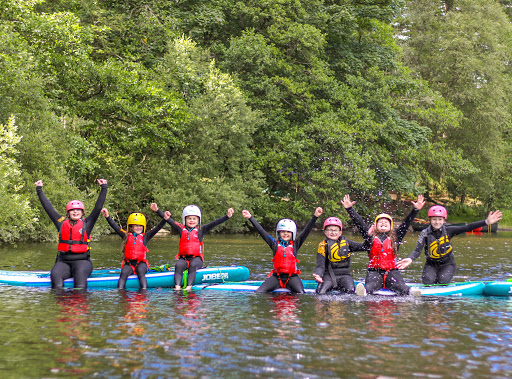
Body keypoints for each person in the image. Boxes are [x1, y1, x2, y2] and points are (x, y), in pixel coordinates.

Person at [342, 194, 425, 296]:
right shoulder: (370, 236)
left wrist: (415, 210)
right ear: (375, 226)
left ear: (390, 227)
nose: (383, 223)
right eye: (380, 222)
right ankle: (364, 291)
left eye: (386, 222)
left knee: (399, 285)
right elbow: (359, 223)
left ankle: (410, 291)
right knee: (372, 285)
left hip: (392, 271)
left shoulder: (396, 237)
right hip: (374, 271)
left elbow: (406, 224)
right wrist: (349, 209)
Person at [397, 205, 502, 284]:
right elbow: (417, 250)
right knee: (428, 281)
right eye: (434, 219)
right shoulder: (425, 233)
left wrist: (486, 222)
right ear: (430, 220)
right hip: (431, 264)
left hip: (447, 264)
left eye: (439, 219)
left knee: (443, 281)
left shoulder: (449, 230)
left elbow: (467, 227)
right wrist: (410, 259)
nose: (437, 222)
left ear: (444, 220)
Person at [35, 178, 108, 291]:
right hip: (64, 261)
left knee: (79, 283)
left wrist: (104, 188)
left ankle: (78, 305)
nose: (75, 212)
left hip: (83, 262)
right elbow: (48, 208)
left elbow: (98, 207)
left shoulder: (87, 224)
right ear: (68, 213)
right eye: (72, 210)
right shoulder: (61, 223)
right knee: (55, 278)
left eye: (78, 210)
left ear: (82, 212)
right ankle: (62, 306)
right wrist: (39, 189)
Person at [242, 207, 323, 293]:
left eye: (288, 232)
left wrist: (315, 216)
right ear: (278, 233)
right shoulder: (274, 244)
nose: (285, 233)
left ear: (293, 233)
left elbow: (306, 230)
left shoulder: (296, 244)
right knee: (258, 292)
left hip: (292, 278)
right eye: (283, 231)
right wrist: (250, 217)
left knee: (301, 294)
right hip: (276, 277)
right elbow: (262, 232)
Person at [155, 204, 234, 290]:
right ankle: (177, 286)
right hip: (184, 258)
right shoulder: (181, 229)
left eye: (194, 219)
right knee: (178, 265)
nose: (192, 221)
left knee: (193, 265)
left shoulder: (201, 229)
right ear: (185, 219)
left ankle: (189, 287)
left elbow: (214, 223)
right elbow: (169, 220)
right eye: (189, 218)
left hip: (197, 259)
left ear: (198, 220)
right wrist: (157, 210)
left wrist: (227, 216)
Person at [101, 203, 171, 289]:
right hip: (129, 263)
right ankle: (121, 293)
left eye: (140, 226)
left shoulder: (146, 236)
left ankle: (143, 291)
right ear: (131, 227)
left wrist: (165, 219)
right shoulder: (126, 235)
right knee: (123, 273)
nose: (139, 228)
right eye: (136, 226)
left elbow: (158, 227)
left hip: (141, 264)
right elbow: (115, 227)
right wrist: (107, 216)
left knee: (140, 271)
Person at [313, 216, 369, 294]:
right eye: (329, 230)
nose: (333, 232)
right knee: (321, 293)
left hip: (345, 275)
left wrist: (369, 236)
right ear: (325, 232)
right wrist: (318, 275)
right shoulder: (323, 245)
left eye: (336, 230)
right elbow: (320, 265)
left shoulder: (346, 242)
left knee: (350, 292)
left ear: (340, 232)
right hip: (328, 275)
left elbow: (365, 247)